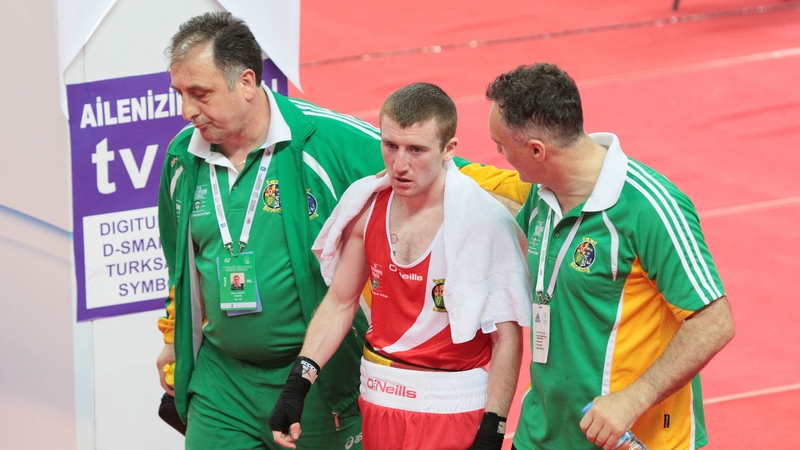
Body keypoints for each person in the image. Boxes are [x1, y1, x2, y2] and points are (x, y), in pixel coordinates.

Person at [155, 12, 529, 450]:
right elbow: (180, 264)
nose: (186, 111)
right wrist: (171, 337)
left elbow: (445, 170)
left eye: (200, 94)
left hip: (316, 375)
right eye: (179, 93)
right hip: (223, 381)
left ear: (247, 82)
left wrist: (549, 184)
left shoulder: (325, 138)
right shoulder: (182, 160)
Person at [268, 83, 531, 450]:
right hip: (379, 402)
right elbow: (340, 302)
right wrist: (300, 379)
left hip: (451, 410)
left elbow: (506, 337)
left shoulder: (483, 222)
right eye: (390, 146)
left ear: (448, 150)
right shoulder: (366, 208)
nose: (399, 165)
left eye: (416, 150)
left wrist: (495, 426)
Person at [485, 63, 735, 450]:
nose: (500, 155)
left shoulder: (650, 207)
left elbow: (714, 322)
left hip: (630, 439)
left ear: (537, 150)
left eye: (502, 146)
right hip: (541, 433)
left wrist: (632, 399)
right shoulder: (542, 194)